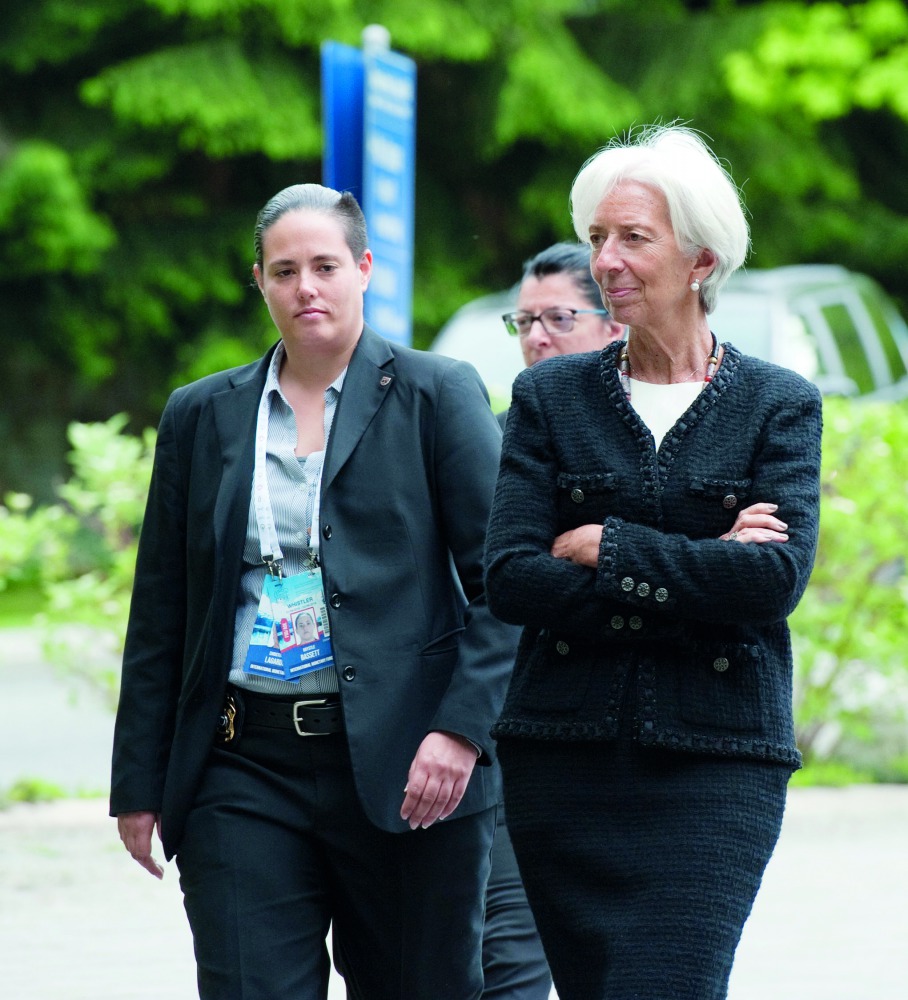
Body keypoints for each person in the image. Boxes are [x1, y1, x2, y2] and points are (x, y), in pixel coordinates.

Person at [110, 182, 517, 1000]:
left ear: (363, 269)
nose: (307, 288)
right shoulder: (202, 414)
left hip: (410, 768)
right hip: (242, 763)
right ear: (257, 281)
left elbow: (504, 585)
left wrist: (460, 734)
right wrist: (139, 783)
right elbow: (163, 606)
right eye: (284, 270)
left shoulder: (437, 394)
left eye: (326, 266)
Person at [484, 124, 823, 1000]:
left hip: (717, 761)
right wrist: (703, 568)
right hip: (561, 759)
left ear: (702, 261)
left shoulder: (779, 405)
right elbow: (514, 574)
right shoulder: (547, 396)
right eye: (598, 237)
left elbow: (774, 581)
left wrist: (610, 547)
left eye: (634, 237)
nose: (606, 259)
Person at [482, 240, 625, 999]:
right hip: (507, 725)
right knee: (509, 949)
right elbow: (505, 579)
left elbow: (724, 579)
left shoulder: (642, 434)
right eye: (525, 320)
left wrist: (618, 553)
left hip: (622, 731)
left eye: (558, 318)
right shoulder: (504, 435)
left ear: (612, 326)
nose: (536, 336)